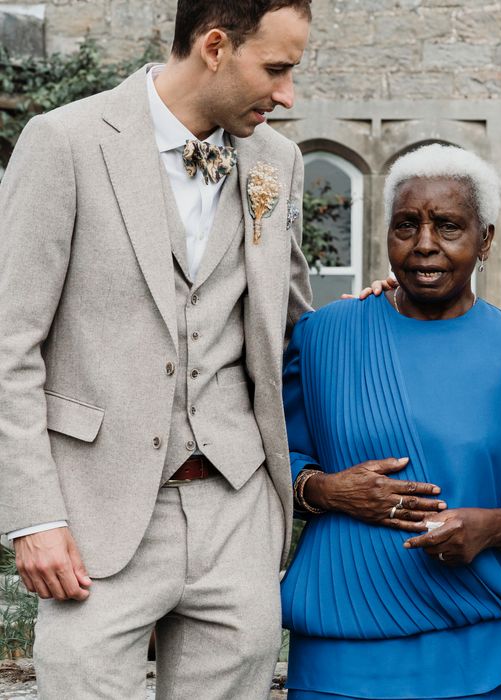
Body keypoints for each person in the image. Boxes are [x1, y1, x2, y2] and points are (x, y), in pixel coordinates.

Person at [0, 1, 313, 697]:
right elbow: (8, 344)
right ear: (213, 47)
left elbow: (295, 324)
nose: (288, 95)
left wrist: (391, 311)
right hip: (94, 517)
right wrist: (34, 517)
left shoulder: (276, 161)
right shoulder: (67, 142)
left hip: (235, 510)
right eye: (277, 68)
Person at [280, 143, 501, 700]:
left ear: (485, 239)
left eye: (448, 226)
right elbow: (276, 460)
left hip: (477, 648)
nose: (424, 245)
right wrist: (327, 491)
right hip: (338, 648)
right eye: (406, 226)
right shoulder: (324, 338)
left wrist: (493, 526)